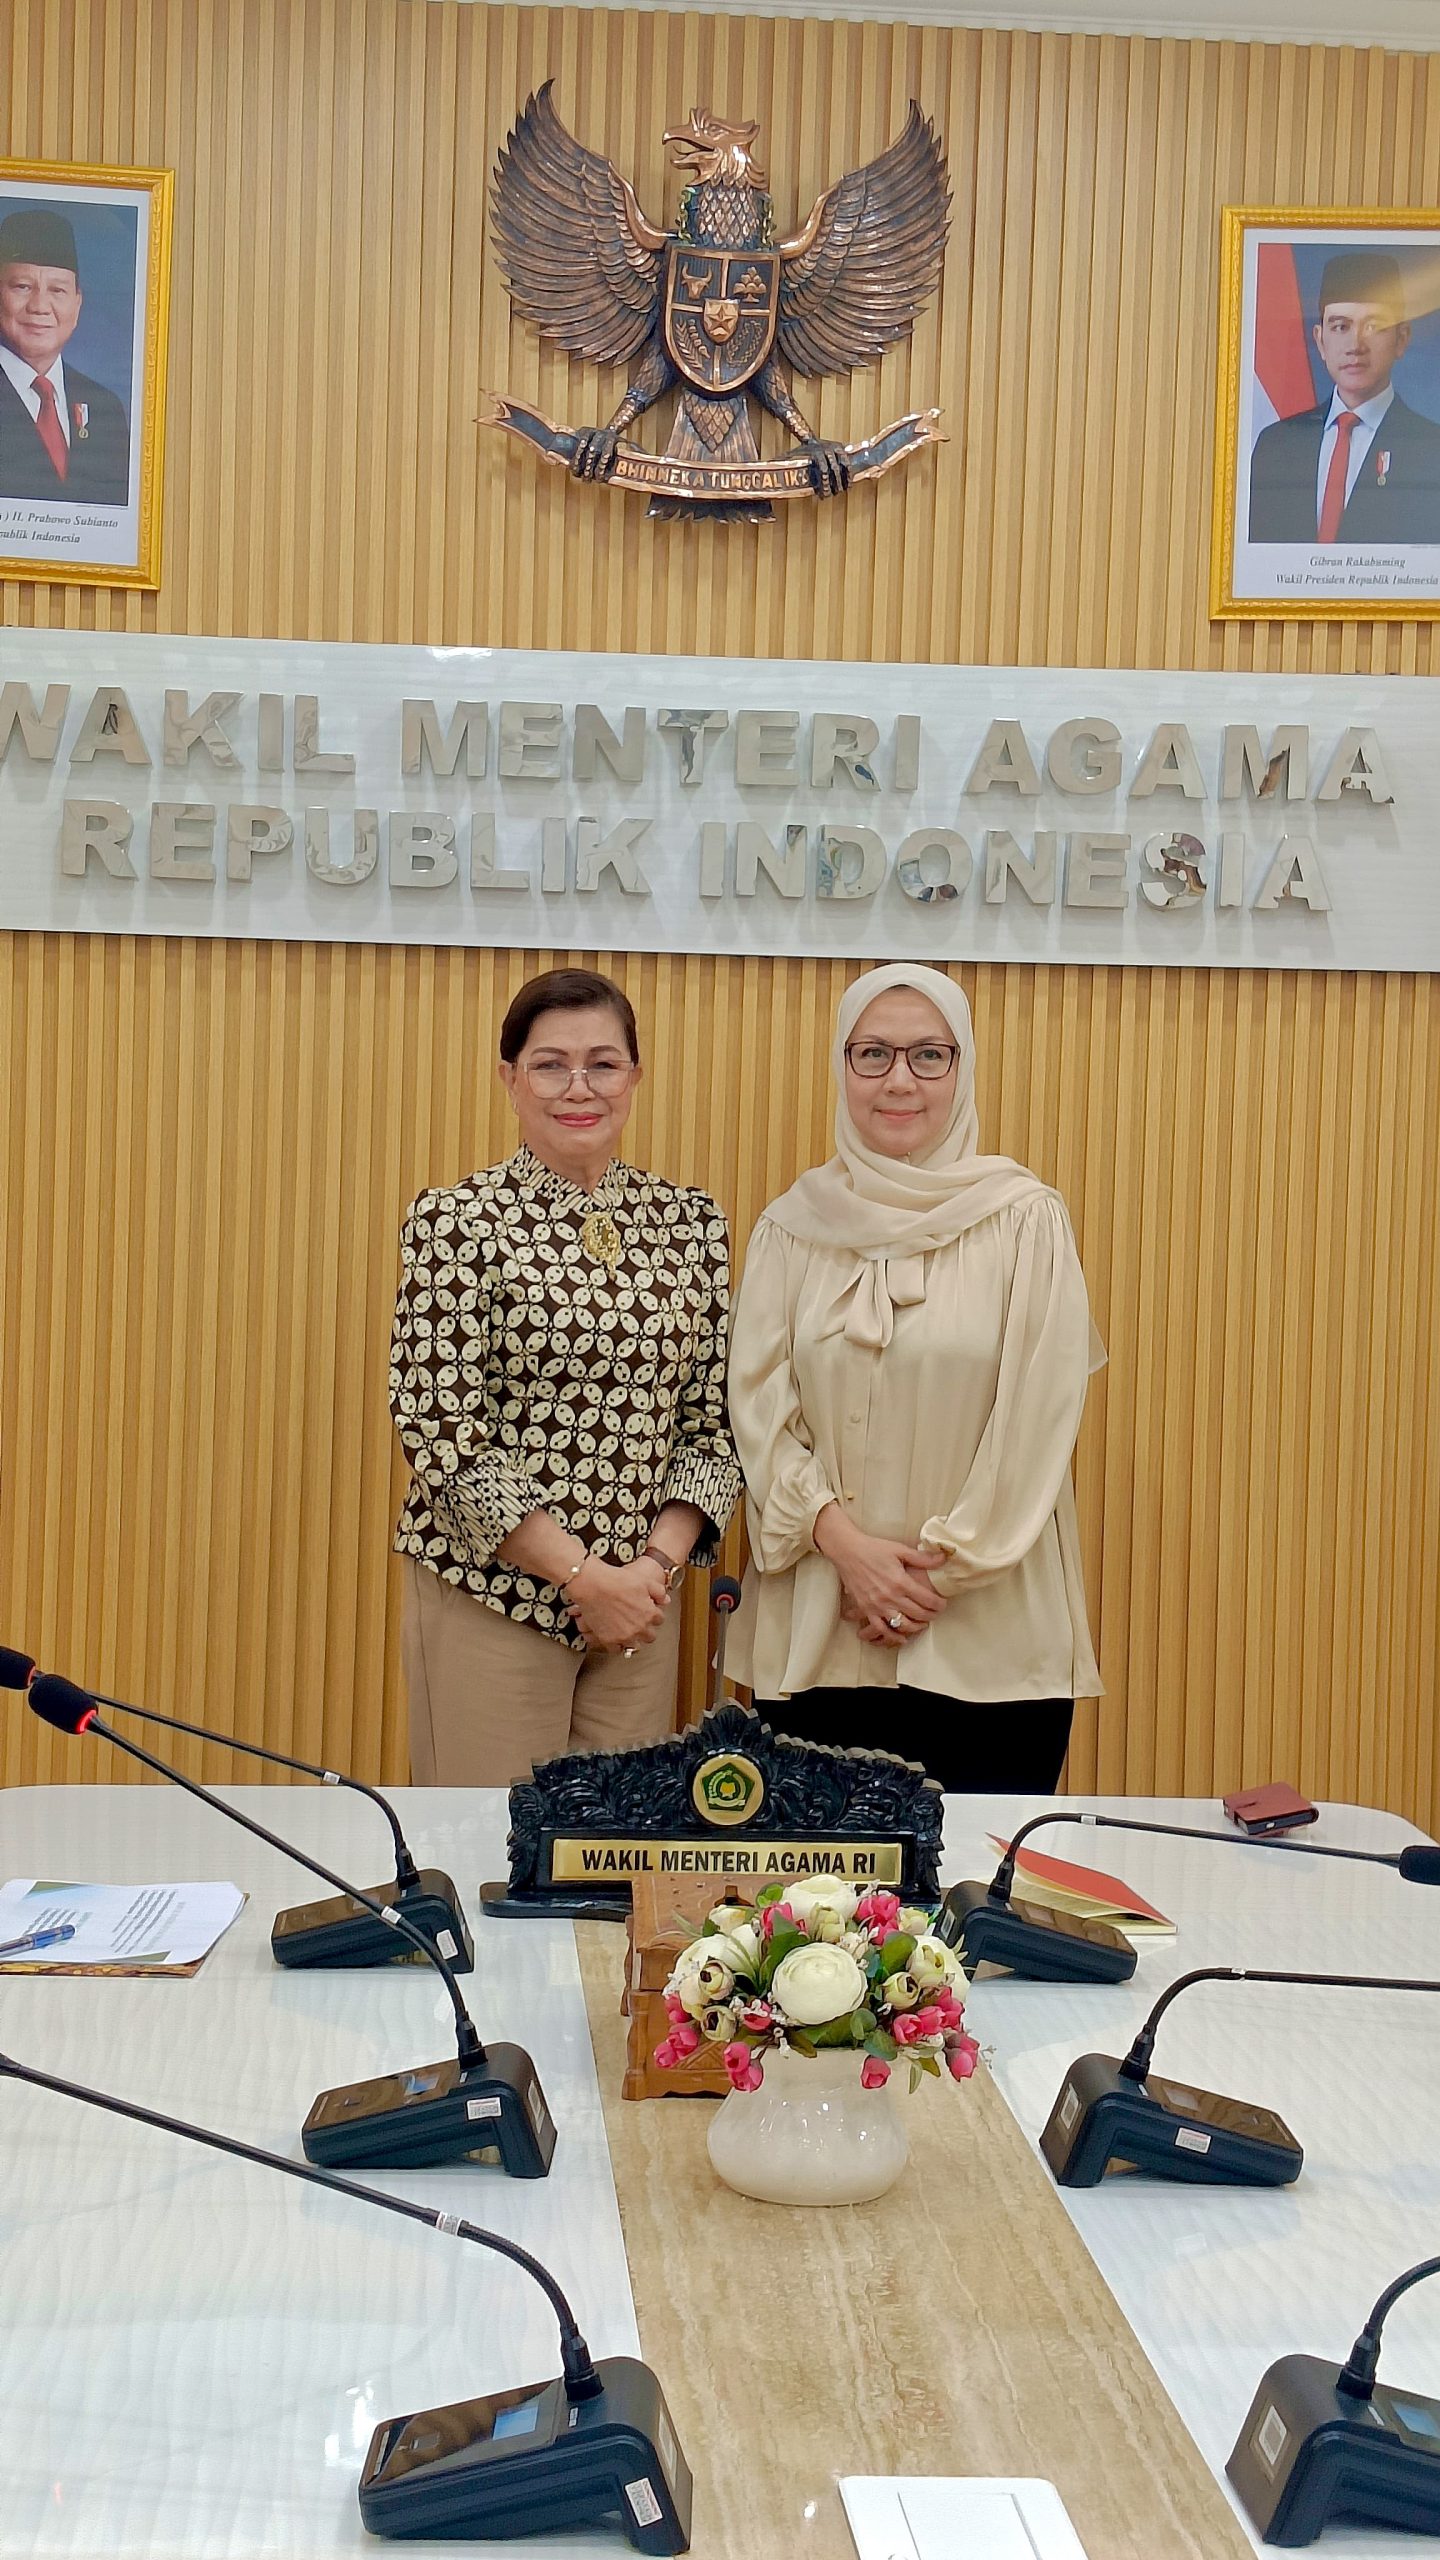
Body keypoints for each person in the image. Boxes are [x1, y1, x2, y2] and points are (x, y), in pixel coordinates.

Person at [726, 962, 1102, 1795]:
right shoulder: (791, 1228)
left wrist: (933, 1574)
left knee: (975, 1876)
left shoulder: (1025, 1221)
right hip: (819, 1631)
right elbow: (756, 1410)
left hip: (987, 1642)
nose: (900, 1080)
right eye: (873, 1054)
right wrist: (844, 1547)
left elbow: (1038, 1423)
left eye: (929, 1055)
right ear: (842, 1066)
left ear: (962, 1068)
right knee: (817, 1879)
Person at [390, 966, 742, 1787]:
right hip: (493, 1597)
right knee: (494, 1843)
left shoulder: (690, 1223)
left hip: (641, 1611)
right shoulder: (457, 1220)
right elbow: (441, 1434)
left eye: (602, 1064)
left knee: (617, 1845)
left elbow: (714, 1424)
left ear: (635, 1076)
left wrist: (647, 1575)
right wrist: (583, 1578)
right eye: (550, 1065)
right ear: (509, 1078)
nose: (578, 1088)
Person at [1248, 249, 1440, 545]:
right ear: (1320, 340)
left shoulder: (1431, 449)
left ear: (1401, 339)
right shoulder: (1275, 446)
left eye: (1374, 326)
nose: (1355, 345)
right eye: (1340, 326)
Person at [0, 206, 130, 506]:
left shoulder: (104, 407)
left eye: (57, 290)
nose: (39, 306)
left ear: (77, 304)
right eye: (22, 287)